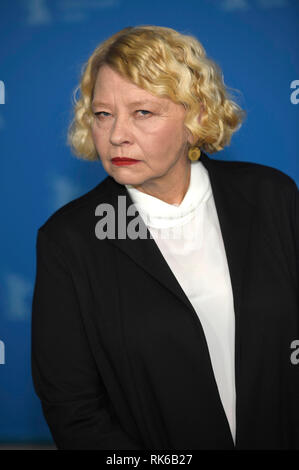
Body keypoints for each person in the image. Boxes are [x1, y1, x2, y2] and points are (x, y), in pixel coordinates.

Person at [31, 25, 299, 450]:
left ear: (195, 119)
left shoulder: (273, 198)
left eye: (142, 113)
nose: (117, 134)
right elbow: (74, 409)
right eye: (103, 114)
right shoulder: (69, 241)